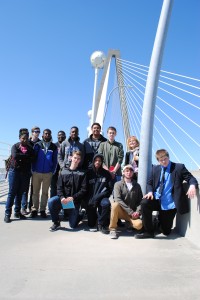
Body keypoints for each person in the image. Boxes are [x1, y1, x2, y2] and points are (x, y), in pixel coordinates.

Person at [135, 149, 198, 239]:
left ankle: (157, 222)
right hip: (156, 199)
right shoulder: (155, 169)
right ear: (158, 161)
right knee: (144, 203)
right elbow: (149, 183)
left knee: (166, 231)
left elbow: (190, 178)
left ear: (168, 157)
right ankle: (148, 232)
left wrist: (192, 185)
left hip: (169, 203)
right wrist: (150, 192)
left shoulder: (178, 167)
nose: (164, 162)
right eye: (161, 160)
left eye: (165, 159)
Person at [48, 151, 87, 231]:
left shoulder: (82, 173)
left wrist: (72, 198)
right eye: (75, 158)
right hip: (64, 201)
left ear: (80, 161)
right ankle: (56, 222)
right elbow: (59, 187)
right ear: (71, 158)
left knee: (73, 225)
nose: (76, 160)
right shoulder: (63, 172)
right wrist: (62, 198)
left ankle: (81, 214)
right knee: (51, 201)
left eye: (78, 159)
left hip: (73, 202)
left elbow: (83, 190)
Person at [4, 132, 35, 223]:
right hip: (14, 172)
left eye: (26, 138)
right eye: (23, 138)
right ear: (19, 138)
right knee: (12, 193)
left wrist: (22, 157)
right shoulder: (15, 146)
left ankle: (17, 212)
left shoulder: (30, 148)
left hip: (25, 173)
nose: (24, 140)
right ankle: (7, 214)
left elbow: (33, 158)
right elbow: (15, 155)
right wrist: (26, 157)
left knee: (20, 193)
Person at [109, 165, 143, 239]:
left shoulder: (137, 186)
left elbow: (140, 201)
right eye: (127, 171)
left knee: (139, 225)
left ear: (133, 173)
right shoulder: (118, 184)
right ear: (123, 172)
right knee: (115, 205)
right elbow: (118, 199)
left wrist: (137, 212)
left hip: (132, 213)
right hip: (121, 211)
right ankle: (113, 229)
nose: (129, 173)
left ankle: (129, 224)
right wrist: (130, 211)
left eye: (131, 171)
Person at [30, 129, 58, 218]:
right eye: (46, 133)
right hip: (36, 172)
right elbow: (33, 158)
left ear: (50, 135)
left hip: (47, 173)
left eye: (49, 134)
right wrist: (33, 169)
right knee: (35, 192)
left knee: (45, 193)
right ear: (43, 135)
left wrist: (52, 171)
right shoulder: (37, 145)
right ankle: (34, 209)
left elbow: (55, 160)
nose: (47, 135)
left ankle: (42, 210)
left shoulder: (53, 147)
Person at [87, 153, 113, 234]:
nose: (98, 162)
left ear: (102, 162)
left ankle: (101, 224)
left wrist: (97, 197)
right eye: (96, 160)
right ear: (93, 161)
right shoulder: (88, 173)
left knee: (106, 204)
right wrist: (90, 199)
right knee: (91, 224)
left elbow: (108, 189)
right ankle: (84, 215)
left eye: (99, 161)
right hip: (91, 198)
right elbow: (85, 189)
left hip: (102, 197)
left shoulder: (106, 173)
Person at [21, 126, 41, 214]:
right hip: (26, 168)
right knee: (25, 188)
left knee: (34, 189)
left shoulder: (40, 143)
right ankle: (23, 207)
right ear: (32, 132)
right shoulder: (27, 142)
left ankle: (32, 207)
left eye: (38, 131)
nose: (37, 133)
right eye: (35, 131)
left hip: (36, 169)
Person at [50, 130, 66, 197]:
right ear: (57, 136)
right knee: (53, 187)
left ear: (65, 136)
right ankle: (53, 205)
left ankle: (66, 206)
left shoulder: (67, 145)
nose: (60, 136)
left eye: (62, 135)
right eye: (59, 135)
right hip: (55, 169)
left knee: (65, 187)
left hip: (65, 168)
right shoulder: (53, 145)